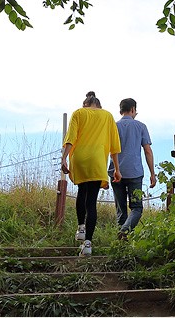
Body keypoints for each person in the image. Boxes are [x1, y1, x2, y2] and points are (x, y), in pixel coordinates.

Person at [61, 91, 122, 256]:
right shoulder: (108, 116)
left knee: (82, 192)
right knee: (91, 202)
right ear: (99, 105)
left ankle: (81, 228)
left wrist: (64, 159)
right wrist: (117, 169)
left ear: (85, 104)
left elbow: (70, 138)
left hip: (80, 158)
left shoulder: (79, 113)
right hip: (97, 161)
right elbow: (114, 147)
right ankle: (88, 244)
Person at [108, 98, 156, 239]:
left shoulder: (113, 126)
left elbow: (109, 150)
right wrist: (152, 173)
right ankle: (125, 231)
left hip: (116, 172)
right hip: (134, 173)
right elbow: (147, 151)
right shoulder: (141, 126)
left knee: (121, 209)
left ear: (120, 110)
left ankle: (121, 243)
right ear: (133, 109)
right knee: (136, 208)